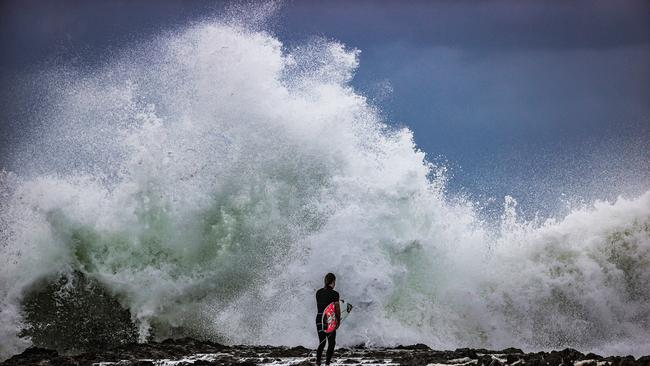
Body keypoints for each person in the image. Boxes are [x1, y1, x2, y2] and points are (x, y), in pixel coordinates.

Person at [315, 272, 340, 366]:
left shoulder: (318, 292)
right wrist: (338, 320)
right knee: (331, 342)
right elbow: (337, 309)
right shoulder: (335, 294)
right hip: (329, 319)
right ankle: (327, 363)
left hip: (319, 318)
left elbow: (321, 305)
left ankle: (318, 362)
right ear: (333, 282)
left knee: (322, 341)